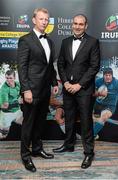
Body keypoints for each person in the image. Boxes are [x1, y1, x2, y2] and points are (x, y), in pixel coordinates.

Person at [53, 14, 100, 169]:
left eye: (81, 24)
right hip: (68, 88)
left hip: (84, 89)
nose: (78, 26)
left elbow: (94, 66)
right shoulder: (66, 42)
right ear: (72, 25)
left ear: (86, 26)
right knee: (70, 117)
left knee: (86, 120)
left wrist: (79, 85)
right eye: (75, 23)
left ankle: (88, 152)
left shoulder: (93, 42)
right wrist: (65, 82)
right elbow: (60, 64)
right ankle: (68, 144)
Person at [17, 8, 58, 172]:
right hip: (31, 90)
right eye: (41, 19)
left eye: (46, 19)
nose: (44, 22)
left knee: (40, 122)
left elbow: (49, 67)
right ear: (34, 20)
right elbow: (22, 67)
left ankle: (37, 149)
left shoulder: (49, 41)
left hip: (45, 90)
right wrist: (25, 89)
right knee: (28, 124)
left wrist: (54, 82)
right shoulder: (25, 40)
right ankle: (25, 156)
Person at [93, 67, 118, 138]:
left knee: (103, 117)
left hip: (110, 106)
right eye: (106, 75)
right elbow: (91, 93)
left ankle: (91, 136)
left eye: (109, 75)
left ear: (112, 75)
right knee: (92, 119)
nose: (108, 77)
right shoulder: (98, 81)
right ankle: (94, 135)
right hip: (98, 105)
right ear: (103, 75)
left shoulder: (117, 82)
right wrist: (99, 93)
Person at [0, 70, 23, 139]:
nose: (8, 80)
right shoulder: (4, 89)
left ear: (14, 78)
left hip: (17, 112)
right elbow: (4, 106)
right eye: (7, 78)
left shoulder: (18, 84)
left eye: (10, 78)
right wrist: (17, 102)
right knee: (3, 136)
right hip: (7, 114)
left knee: (27, 124)